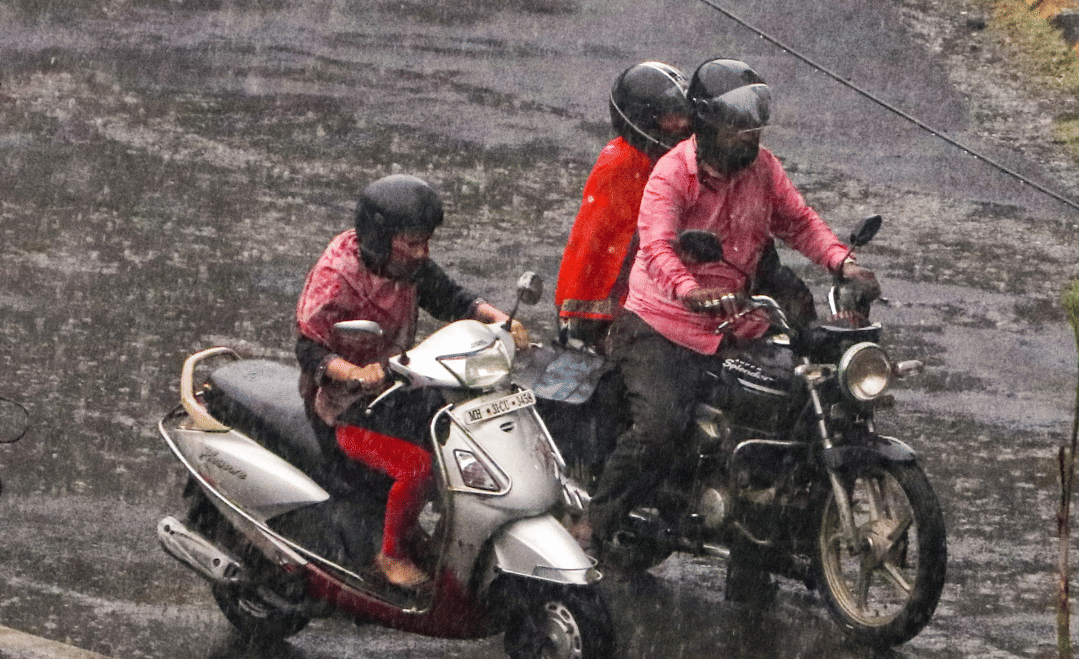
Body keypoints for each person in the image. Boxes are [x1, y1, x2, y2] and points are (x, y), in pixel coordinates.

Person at [585, 58, 881, 553]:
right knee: (660, 428)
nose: (749, 136)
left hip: (738, 321)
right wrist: (688, 289)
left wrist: (842, 263)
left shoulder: (763, 169)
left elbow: (799, 222)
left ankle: (759, 542)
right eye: (737, 125)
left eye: (753, 126)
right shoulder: (671, 174)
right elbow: (657, 247)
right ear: (704, 123)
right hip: (664, 326)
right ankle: (592, 528)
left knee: (788, 406)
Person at [295, 173, 528, 588]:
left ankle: (433, 531)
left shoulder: (405, 263)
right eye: (414, 242)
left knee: (461, 431)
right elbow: (309, 349)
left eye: (427, 241)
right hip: (344, 406)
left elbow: (450, 297)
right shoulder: (338, 277)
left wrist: (498, 320)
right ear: (382, 238)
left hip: (394, 384)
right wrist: (353, 372)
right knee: (417, 467)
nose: (423, 252)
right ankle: (390, 555)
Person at [554, 61, 693, 353]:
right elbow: (596, 247)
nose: (683, 125)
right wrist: (580, 320)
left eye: (684, 116)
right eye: (671, 118)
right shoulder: (622, 164)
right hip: (605, 316)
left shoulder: (661, 162)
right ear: (642, 119)